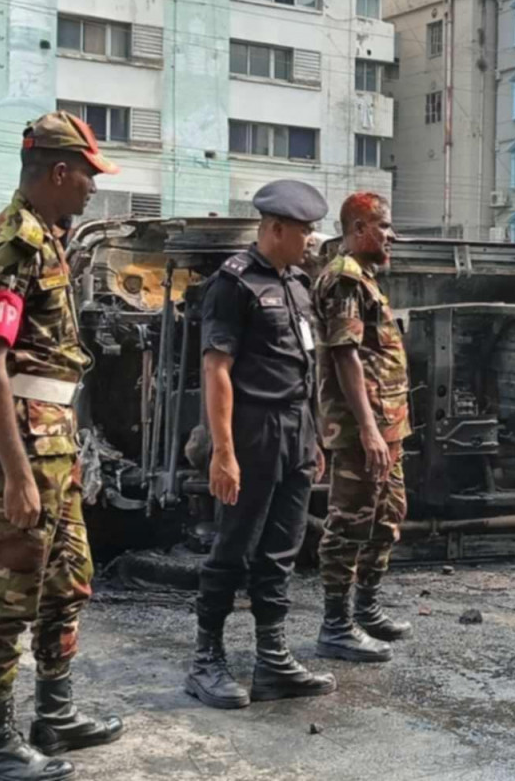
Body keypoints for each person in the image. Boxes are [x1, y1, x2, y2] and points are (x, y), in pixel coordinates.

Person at [0, 112, 124, 781]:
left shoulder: (50, 240)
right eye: (88, 176)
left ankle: (53, 713)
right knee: (11, 589)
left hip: (52, 432)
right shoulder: (11, 245)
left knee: (68, 577)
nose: (93, 188)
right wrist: (18, 473)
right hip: (23, 437)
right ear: (59, 172)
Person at [186, 178, 336, 711]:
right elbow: (217, 369)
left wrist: (313, 436)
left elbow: (303, 365)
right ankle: (207, 659)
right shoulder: (234, 283)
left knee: (281, 549)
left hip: (295, 432)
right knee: (232, 547)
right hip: (251, 432)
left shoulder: (296, 283)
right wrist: (223, 451)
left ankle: (272, 657)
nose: (311, 240)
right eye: (304, 230)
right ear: (275, 228)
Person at [313, 192, 411, 663]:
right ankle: (335, 626)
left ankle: (366, 609)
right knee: (350, 522)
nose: (391, 236)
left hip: (388, 426)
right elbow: (344, 356)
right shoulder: (344, 279)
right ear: (357, 229)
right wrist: (369, 429)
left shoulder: (367, 279)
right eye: (384, 226)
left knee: (388, 516)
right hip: (361, 430)